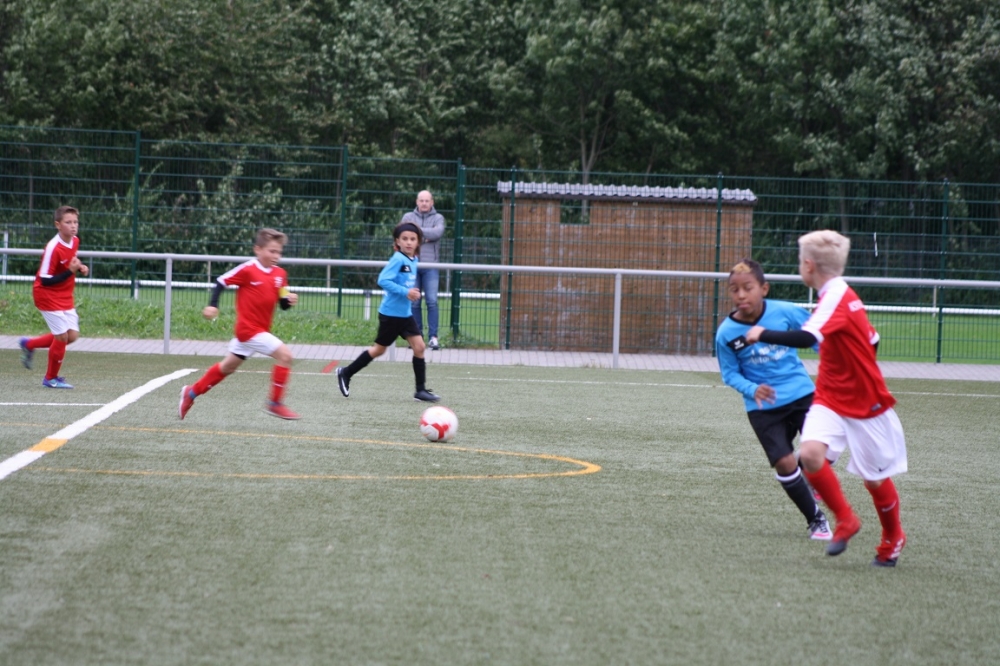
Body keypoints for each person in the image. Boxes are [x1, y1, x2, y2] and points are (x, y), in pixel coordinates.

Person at [746, 230, 907, 567]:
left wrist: (762, 333)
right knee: (810, 454)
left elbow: (807, 337)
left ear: (808, 265)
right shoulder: (838, 296)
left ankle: (893, 538)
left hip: (865, 404)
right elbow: (873, 339)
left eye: (799, 261)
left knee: (875, 479)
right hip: (830, 397)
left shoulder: (836, 295)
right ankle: (846, 519)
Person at [716, 258, 831, 541]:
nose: (741, 295)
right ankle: (815, 519)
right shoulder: (726, 333)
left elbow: (816, 335)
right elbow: (730, 374)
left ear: (764, 289)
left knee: (824, 447)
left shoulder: (785, 311)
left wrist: (832, 362)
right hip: (763, 408)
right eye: (734, 290)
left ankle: (807, 469)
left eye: (748, 288)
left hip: (802, 394)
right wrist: (752, 388)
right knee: (784, 464)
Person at [179, 228, 301, 420]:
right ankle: (275, 403)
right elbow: (221, 281)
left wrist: (289, 300)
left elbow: (283, 303)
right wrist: (213, 305)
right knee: (285, 356)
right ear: (258, 249)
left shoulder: (280, 274)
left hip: (258, 331)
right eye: (272, 251)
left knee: (227, 368)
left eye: (279, 252)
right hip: (248, 331)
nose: (276, 256)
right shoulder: (248, 269)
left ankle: (191, 393)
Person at [336, 221, 441, 403]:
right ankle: (345, 372)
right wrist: (406, 292)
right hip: (391, 315)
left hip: (405, 315)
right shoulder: (398, 259)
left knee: (419, 347)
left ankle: (420, 390)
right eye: (404, 239)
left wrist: (410, 293)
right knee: (378, 350)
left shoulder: (413, 260)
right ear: (397, 241)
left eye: (413, 239)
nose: (409, 242)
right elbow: (383, 280)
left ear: (418, 242)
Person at [18, 205, 89, 389]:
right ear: (58, 225)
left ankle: (29, 344)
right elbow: (45, 280)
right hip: (46, 294)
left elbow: (70, 262)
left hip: (64, 295)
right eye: (68, 222)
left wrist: (79, 267)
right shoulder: (52, 248)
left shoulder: (75, 241)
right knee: (61, 336)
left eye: (75, 222)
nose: (73, 226)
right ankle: (50, 378)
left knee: (71, 335)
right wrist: (70, 271)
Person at [401, 190, 445, 350]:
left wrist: (416, 231)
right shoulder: (408, 216)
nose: (424, 203)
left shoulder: (438, 218)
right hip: (411, 266)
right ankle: (416, 337)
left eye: (427, 201)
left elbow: (437, 232)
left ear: (432, 202)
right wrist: (424, 236)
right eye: (422, 200)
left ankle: (433, 337)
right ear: (417, 202)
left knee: (432, 301)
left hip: (431, 266)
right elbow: (403, 234)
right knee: (414, 302)